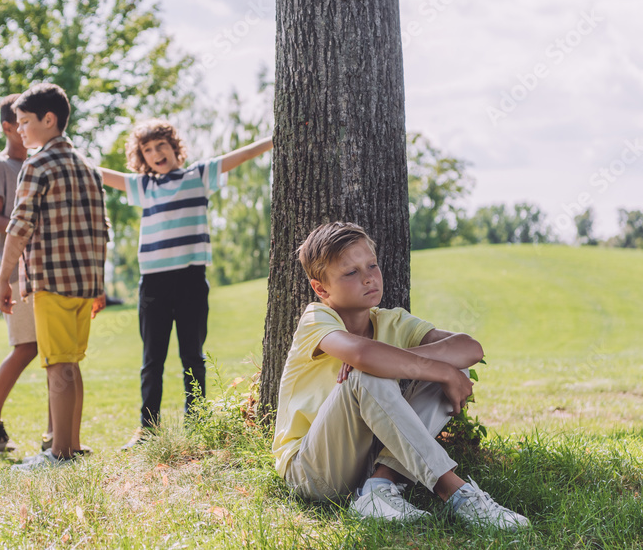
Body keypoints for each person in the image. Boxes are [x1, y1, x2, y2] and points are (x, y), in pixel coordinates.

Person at [273, 221, 529, 528]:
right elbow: (364, 356)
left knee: (450, 369)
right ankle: (458, 494)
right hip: (313, 469)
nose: (368, 278)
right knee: (368, 372)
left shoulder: (392, 321)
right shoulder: (317, 318)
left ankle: (377, 489)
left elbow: (469, 348)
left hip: (369, 461)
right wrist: (409, 364)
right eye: (351, 272)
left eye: (372, 265)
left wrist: (439, 369)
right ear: (321, 288)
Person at [97, 119, 272, 448]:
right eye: (147, 150)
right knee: (152, 360)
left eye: (161, 145)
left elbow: (242, 154)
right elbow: (103, 175)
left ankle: (197, 424)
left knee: (192, 356)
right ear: (142, 158)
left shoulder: (200, 175)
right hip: (153, 284)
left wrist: (272, 140)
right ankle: (148, 428)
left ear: (174, 147)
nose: (155, 153)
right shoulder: (143, 186)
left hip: (191, 279)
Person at [0, 83, 108, 470]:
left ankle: (59, 453)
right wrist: (100, 285)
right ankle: (71, 446)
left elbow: (19, 226)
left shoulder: (37, 164)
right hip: (84, 284)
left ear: (49, 120)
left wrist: (2, 278)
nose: (20, 129)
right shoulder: (90, 168)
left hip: (52, 281)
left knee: (58, 365)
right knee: (71, 363)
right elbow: (101, 229)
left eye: (25, 122)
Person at [0, 94, 52, 454]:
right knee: (27, 347)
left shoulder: (40, 162)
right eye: (18, 123)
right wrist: (28, 228)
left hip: (44, 268)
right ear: (8, 126)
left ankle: (55, 432)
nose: (24, 128)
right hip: (14, 270)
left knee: (55, 347)